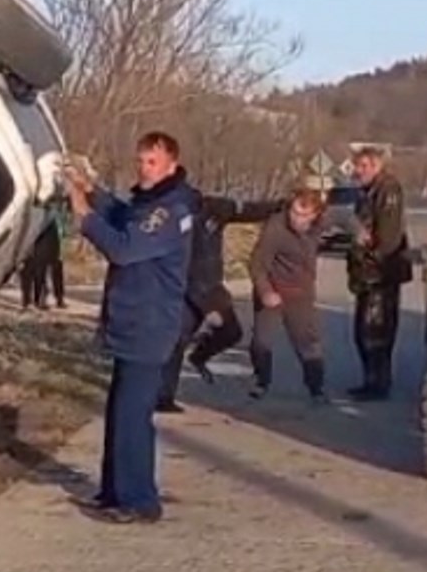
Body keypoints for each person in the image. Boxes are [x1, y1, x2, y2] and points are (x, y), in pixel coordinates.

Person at [63, 131, 195, 524]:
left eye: (152, 162)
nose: (144, 168)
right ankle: (114, 491)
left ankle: (140, 500)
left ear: (171, 164)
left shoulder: (171, 210)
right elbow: (123, 216)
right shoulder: (150, 202)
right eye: (141, 160)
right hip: (132, 323)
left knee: (133, 415)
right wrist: (92, 189)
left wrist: (84, 215)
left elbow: (124, 247)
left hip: (149, 326)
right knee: (120, 411)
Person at [157, 193, 284, 412]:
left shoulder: (217, 208)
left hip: (212, 286)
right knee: (177, 340)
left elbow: (248, 210)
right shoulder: (173, 218)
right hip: (185, 287)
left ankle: (199, 356)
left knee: (232, 332)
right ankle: (163, 396)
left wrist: (278, 206)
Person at [247, 186, 328, 403]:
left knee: (307, 342)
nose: (296, 218)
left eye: (303, 215)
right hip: (272, 290)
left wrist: (358, 231)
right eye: (293, 212)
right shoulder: (276, 227)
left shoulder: (320, 224)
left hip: (300, 293)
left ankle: (316, 388)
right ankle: (261, 381)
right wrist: (265, 291)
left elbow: (345, 216)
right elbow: (257, 264)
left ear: (314, 215)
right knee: (261, 341)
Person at [346, 146, 413, 401]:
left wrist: (372, 259)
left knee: (375, 329)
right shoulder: (368, 192)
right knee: (364, 330)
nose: (358, 171)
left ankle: (378, 383)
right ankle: (370, 379)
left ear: (376, 166)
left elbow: (388, 237)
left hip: (382, 273)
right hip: (369, 272)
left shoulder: (388, 190)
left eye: (363, 166)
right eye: (357, 166)